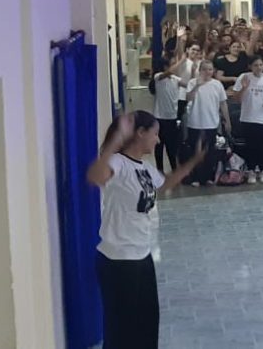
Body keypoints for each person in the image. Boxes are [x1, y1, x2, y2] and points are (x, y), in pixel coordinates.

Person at [86, 111, 206, 349]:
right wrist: (116, 140)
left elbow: (165, 184)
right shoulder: (117, 162)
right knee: (121, 332)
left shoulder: (145, 168)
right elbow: (95, 176)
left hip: (142, 256)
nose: (158, 140)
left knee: (147, 325)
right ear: (140, 133)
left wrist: (194, 162)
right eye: (155, 134)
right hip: (118, 260)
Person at [231, 56, 263, 183]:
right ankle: (251, 170)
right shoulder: (244, 77)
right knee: (250, 145)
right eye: (256, 65)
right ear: (250, 66)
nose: (259, 68)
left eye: (261, 65)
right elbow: (236, 98)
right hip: (248, 117)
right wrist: (244, 88)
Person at [183, 61, 231, 186]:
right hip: (195, 122)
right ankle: (195, 177)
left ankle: (208, 176)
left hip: (211, 122)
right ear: (200, 70)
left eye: (210, 69)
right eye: (204, 69)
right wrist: (197, 86)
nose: (207, 72)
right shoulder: (192, 82)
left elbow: (223, 103)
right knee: (195, 151)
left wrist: (227, 120)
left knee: (210, 151)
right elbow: (188, 98)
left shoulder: (217, 84)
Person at [151, 53, 186, 171]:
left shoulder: (176, 79)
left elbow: (188, 84)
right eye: (172, 64)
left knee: (171, 146)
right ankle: (159, 170)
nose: (175, 67)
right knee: (159, 145)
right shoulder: (158, 77)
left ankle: (174, 168)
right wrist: (181, 61)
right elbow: (169, 72)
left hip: (172, 118)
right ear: (165, 66)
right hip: (159, 118)